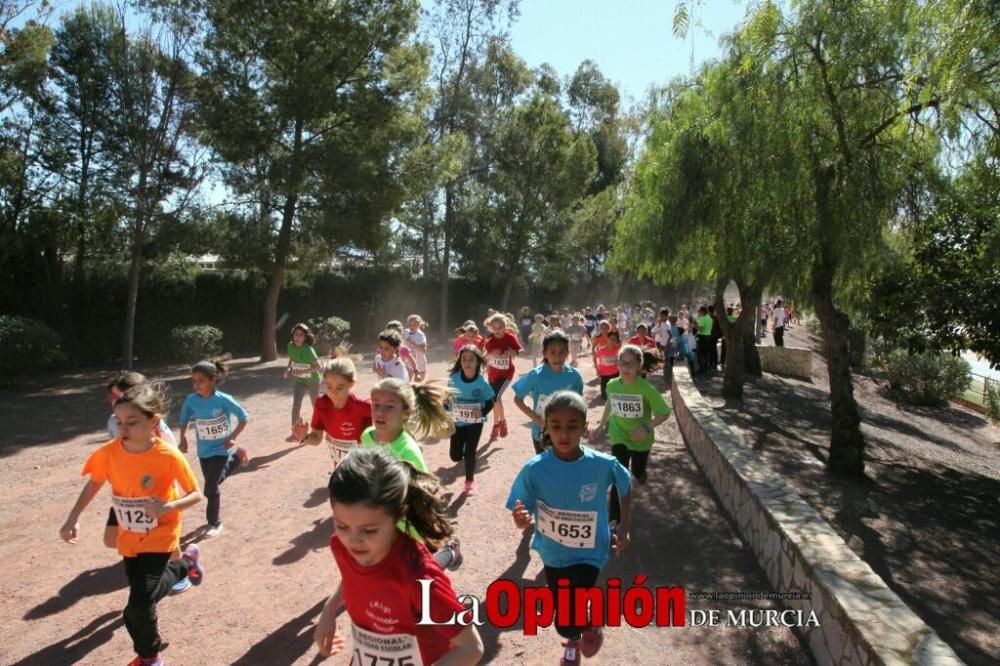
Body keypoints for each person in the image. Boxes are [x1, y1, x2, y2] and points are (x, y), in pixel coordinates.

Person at [61, 384, 205, 666]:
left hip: (161, 533)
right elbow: (95, 483)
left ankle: (150, 658)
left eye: (131, 421)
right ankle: (184, 564)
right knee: (142, 600)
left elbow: (196, 494)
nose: (123, 427)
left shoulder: (167, 455)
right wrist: (72, 518)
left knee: (136, 606)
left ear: (153, 421)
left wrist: (169, 507)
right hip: (129, 537)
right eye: (119, 421)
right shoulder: (110, 452)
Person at [313, 449, 484, 664]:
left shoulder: (419, 576)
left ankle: (449, 553)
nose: (353, 540)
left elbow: (471, 648)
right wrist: (328, 611)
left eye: (369, 530)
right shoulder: (341, 546)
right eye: (342, 525)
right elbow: (352, 577)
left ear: (399, 515)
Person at [507, 392, 632, 666]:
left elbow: (625, 485)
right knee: (566, 614)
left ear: (584, 426)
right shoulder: (534, 469)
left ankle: (575, 635)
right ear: (546, 428)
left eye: (572, 426)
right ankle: (583, 629)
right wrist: (521, 519)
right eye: (556, 425)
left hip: (591, 551)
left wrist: (623, 528)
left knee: (568, 616)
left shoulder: (602, 464)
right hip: (553, 553)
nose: (564, 434)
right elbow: (520, 507)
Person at [360, 377, 462, 569]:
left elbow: (422, 495)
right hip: (384, 522)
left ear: (407, 412)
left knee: (421, 573)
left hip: (410, 524)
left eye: (389, 407)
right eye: (376, 405)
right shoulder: (367, 435)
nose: (380, 412)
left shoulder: (407, 452)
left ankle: (450, 551)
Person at [105, 372, 190, 594]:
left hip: (156, 489)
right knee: (124, 533)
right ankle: (149, 562)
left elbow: (172, 455)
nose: (115, 401)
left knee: (165, 535)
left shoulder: (156, 426)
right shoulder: (113, 422)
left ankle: (180, 567)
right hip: (127, 490)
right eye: (112, 397)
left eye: (120, 395)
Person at [592, 345, 672, 521]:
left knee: (637, 472)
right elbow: (610, 404)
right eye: (622, 363)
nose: (626, 368)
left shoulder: (646, 389)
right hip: (619, 435)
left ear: (639, 366)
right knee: (618, 475)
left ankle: (641, 475)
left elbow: (664, 412)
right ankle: (615, 518)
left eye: (631, 364)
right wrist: (601, 425)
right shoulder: (612, 385)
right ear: (617, 364)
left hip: (640, 440)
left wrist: (645, 428)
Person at [178, 360, 249, 538]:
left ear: (213, 380)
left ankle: (214, 522)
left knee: (210, 487)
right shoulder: (191, 401)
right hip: (204, 451)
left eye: (201, 380)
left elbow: (243, 417)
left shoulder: (223, 400)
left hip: (222, 449)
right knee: (214, 482)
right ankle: (238, 457)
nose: (196, 385)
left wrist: (232, 437)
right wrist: (183, 437)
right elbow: (184, 419)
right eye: (193, 381)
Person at [513, 330, 585, 454]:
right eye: (552, 352)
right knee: (545, 470)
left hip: (568, 433)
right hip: (542, 433)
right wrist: (538, 420)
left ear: (568, 353)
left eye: (562, 352)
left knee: (566, 467)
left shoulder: (575, 376)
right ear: (544, 353)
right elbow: (517, 399)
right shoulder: (536, 375)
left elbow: (580, 403)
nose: (557, 357)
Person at [293, 358, 372, 468]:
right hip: (340, 468)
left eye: (340, 387)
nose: (334, 392)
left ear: (352, 383)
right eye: (329, 386)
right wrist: (304, 437)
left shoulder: (365, 406)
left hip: (365, 469)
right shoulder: (322, 404)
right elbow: (316, 438)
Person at [448, 345, 495, 495]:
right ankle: (462, 453)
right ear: (460, 361)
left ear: (477, 362)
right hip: (457, 421)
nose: (467, 362)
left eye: (471, 359)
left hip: (475, 421)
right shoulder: (453, 379)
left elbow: (490, 401)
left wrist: (481, 413)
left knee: (470, 453)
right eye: (464, 359)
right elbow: (447, 398)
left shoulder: (482, 383)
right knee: (455, 456)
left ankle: (470, 481)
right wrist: (444, 413)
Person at [479, 312, 521, 441]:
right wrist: (491, 354)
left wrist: (512, 352)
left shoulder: (510, 338)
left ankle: (502, 422)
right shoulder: (490, 341)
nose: (497, 331)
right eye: (494, 328)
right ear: (491, 328)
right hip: (493, 374)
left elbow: (518, 351)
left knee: (496, 397)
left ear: (505, 326)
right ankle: (495, 425)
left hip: (506, 374)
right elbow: (485, 357)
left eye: (500, 327)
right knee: (495, 400)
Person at [283, 323, 322, 443]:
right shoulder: (290, 346)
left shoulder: (308, 349)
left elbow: (318, 366)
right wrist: (288, 369)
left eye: (300, 335)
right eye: (296, 334)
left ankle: (317, 432)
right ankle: (295, 434)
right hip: (299, 380)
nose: (297, 337)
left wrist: (305, 370)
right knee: (296, 406)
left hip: (313, 381)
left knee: (316, 407)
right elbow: (292, 358)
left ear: (305, 337)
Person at [594, 330, 622, 399]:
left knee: (615, 393)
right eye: (610, 339)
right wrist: (597, 369)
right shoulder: (601, 350)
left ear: (616, 340)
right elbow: (595, 358)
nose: (612, 341)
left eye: (614, 339)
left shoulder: (617, 349)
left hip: (615, 373)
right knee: (604, 396)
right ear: (607, 338)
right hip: (604, 374)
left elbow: (620, 343)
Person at [403, 315, 429, 382]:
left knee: (419, 387)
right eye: (410, 324)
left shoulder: (421, 335)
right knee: (405, 384)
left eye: (414, 324)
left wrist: (412, 343)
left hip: (420, 364)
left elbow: (424, 350)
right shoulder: (405, 332)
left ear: (419, 324)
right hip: (408, 363)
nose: (412, 326)